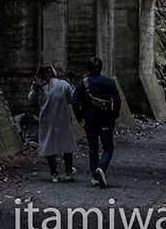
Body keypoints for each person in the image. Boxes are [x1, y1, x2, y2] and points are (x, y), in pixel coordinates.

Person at [73, 56, 122, 189]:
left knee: (93, 149)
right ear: (101, 68)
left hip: (89, 120)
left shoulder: (83, 83)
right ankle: (101, 168)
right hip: (106, 119)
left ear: (88, 68)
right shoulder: (109, 82)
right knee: (108, 148)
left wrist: (80, 118)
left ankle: (95, 177)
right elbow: (117, 100)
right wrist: (114, 115)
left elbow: (75, 101)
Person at [27, 65, 78, 182]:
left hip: (47, 120)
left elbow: (30, 99)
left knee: (49, 146)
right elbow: (72, 99)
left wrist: (34, 88)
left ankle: (54, 173)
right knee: (67, 146)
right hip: (63, 119)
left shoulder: (39, 86)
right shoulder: (63, 84)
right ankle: (69, 172)